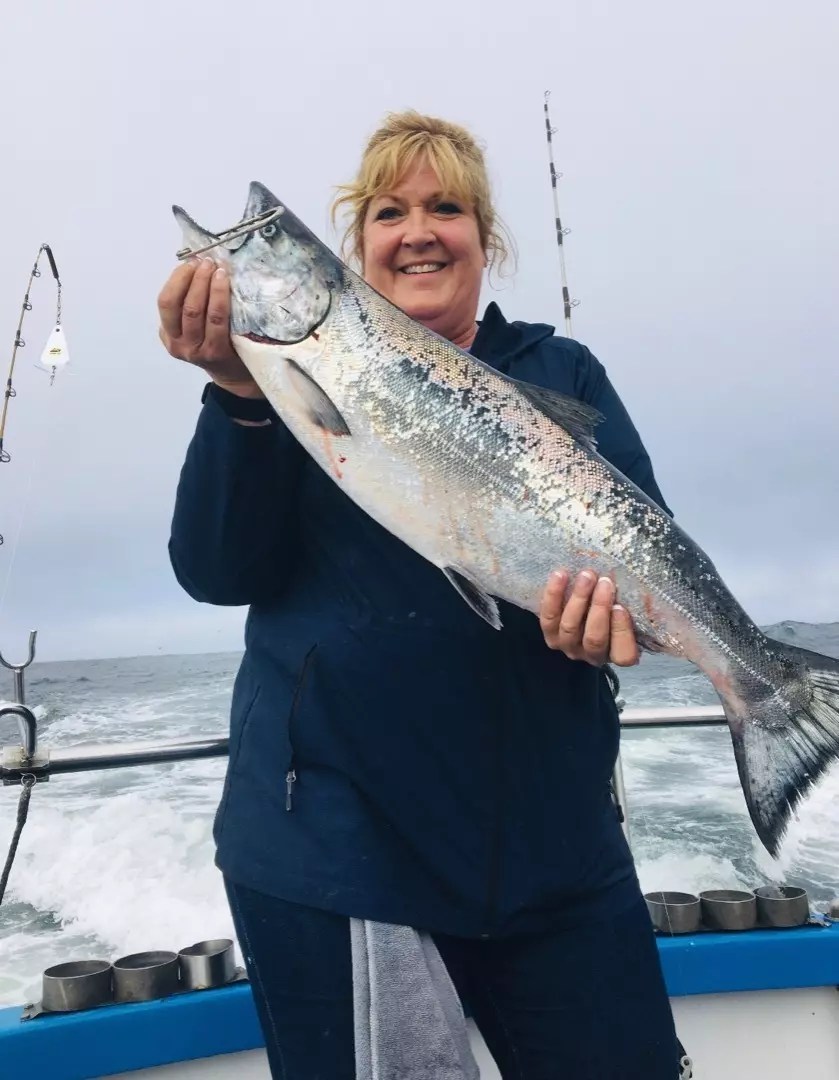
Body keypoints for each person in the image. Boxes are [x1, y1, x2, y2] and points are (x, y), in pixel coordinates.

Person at [160, 110, 681, 1079]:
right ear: (356, 245)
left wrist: (612, 633)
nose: (418, 231)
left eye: (446, 208)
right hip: (335, 852)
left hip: (555, 852)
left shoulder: (562, 375)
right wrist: (236, 392)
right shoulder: (287, 383)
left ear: (486, 239)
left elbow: (644, 586)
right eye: (389, 211)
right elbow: (214, 572)